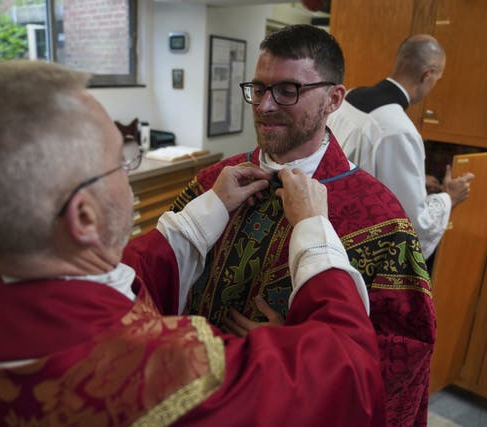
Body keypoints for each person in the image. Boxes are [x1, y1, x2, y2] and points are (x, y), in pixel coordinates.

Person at [0, 60, 387, 426]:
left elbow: (117, 275)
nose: (128, 176)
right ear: (83, 215)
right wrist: (312, 231)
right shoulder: (175, 371)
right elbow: (348, 367)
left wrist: (210, 209)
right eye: (122, 161)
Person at [171, 25, 435, 426]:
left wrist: (299, 347)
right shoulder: (213, 182)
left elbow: (403, 354)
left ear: (333, 99)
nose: (264, 106)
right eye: (258, 89)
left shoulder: (382, 220)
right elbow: (159, 276)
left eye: (287, 91)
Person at [328, 34, 475, 259]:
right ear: (428, 74)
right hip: (355, 249)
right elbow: (413, 224)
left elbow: (357, 170)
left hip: (328, 226)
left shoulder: (350, 96)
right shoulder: (399, 130)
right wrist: (449, 198)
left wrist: (415, 180)